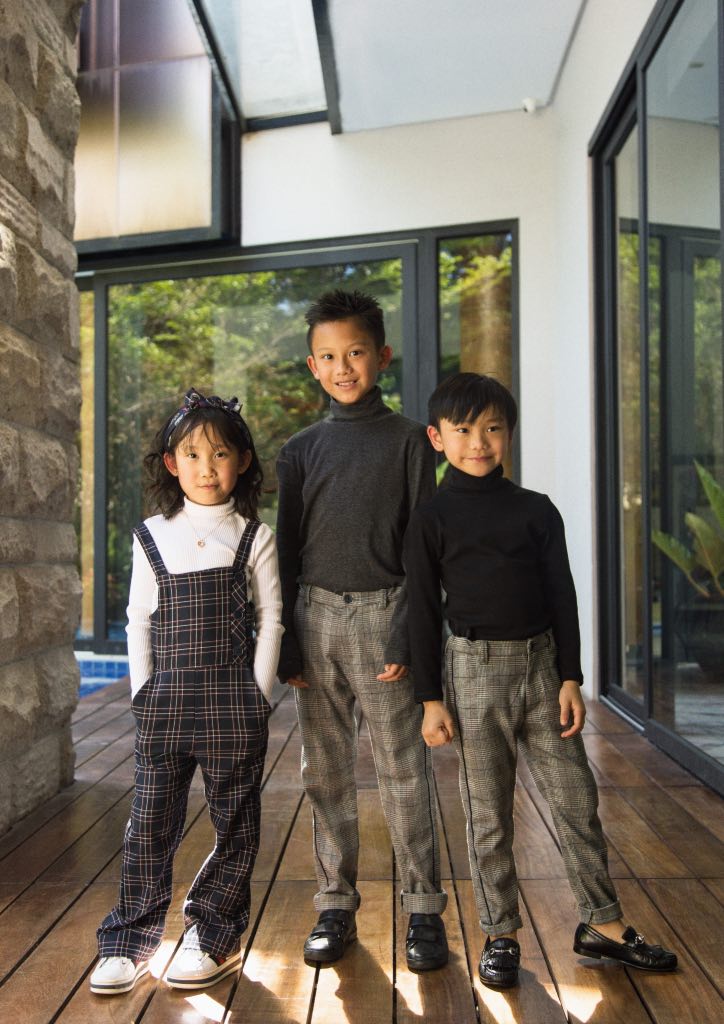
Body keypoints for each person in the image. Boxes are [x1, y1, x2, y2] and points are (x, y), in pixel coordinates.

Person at [404, 372, 677, 989]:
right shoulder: (431, 519)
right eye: (465, 430)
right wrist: (429, 699)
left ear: (509, 435)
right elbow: (421, 609)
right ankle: (500, 934)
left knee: (576, 798)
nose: (480, 441)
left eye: (494, 428)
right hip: (471, 675)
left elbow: (564, 597)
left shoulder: (535, 510)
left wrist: (571, 676)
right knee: (488, 814)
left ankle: (601, 925)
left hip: (541, 668)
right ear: (438, 438)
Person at [276, 289, 448, 972]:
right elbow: (285, 548)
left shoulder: (410, 441)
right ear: (312, 366)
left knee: (404, 770)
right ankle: (334, 903)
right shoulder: (300, 449)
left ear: (381, 355)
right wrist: (288, 634)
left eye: (354, 353)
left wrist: (407, 632)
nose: (342, 366)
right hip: (314, 619)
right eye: (328, 356)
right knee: (326, 772)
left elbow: (423, 547)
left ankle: (424, 910)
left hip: (385, 618)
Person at [90, 388, 283, 996]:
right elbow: (137, 620)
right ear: (172, 464)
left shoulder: (254, 537)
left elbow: (271, 618)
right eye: (192, 455)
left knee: (235, 821)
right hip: (164, 706)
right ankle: (131, 939)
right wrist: (143, 694)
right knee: (148, 822)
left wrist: (259, 694)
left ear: (242, 462)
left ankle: (213, 933)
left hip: (234, 705)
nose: (207, 467)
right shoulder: (152, 534)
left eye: (220, 454)